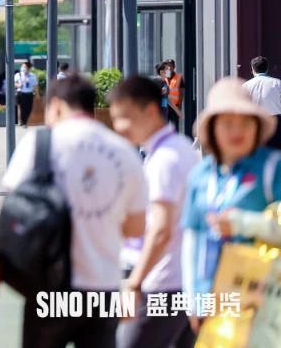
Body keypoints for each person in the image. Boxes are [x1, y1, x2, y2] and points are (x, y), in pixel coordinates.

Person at [3, 74, 146, 348]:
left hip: (48, 288)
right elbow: (136, 229)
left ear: (56, 106)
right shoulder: (124, 151)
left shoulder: (38, 144)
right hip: (103, 287)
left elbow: (15, 208)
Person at [181, 77, 281, 328]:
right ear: (213, 128)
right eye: (227, 123)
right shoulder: (200, 175)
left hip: (265, 302)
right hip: (213, 300)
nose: (237, 130)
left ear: (257, 127)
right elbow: (192, 240)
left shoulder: (273, 168)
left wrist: (242, 224)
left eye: (246, 122)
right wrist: (194, 302)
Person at [110, 76, 199, 348]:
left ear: (150, 111)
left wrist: (135, 283)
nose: (119, 127)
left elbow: (161, 230)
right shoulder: (182, 148)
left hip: (163, 283)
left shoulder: (164, 160)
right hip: (185, 282)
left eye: (125, 117)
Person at [243, 55, 281, 149]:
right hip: (276, 123)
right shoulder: (278, 83)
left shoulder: (245, 86)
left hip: (255, 121)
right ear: (267, 68)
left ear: (252, 69)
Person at [13, 62, 38, 127]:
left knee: (28, 108)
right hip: (20, 93)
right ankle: (21, 121)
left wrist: (37, 94)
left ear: (29, 68)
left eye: (25, 67)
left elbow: (35, 86)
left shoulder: (32, 76)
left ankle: (26, 121)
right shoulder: (18, 75)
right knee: (20, 107)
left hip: (29, 93)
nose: (23, 68)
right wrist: (18, 85)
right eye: (22, 66)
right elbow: (14, 83)